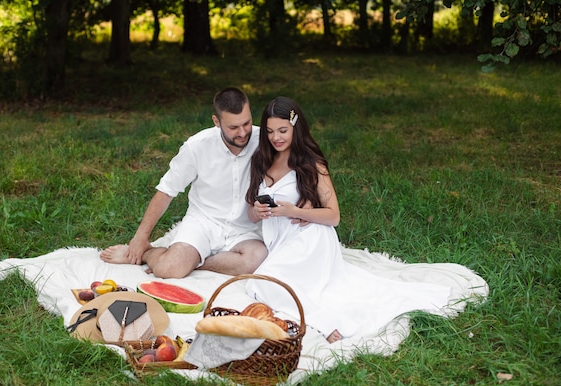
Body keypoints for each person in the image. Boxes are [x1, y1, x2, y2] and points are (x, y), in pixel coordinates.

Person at [245, 97, 452, 343]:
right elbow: (250, 211)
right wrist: (257, 212)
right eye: (270, 131)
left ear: (295, 129)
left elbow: (333, 216)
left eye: (283, 131)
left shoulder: (312, 163)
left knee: (265, 283)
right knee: (265, 284)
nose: (276, 137)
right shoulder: (261, 160)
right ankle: (318, 314)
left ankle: (321, 321)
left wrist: (295, 211)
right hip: (280, 244)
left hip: (309, 239)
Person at [100, 87, 268, 278]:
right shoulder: (196, 146)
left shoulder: (264, 140)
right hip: (204, 222)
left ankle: (194, 263)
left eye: (246, 123)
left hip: (245, 229)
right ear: (216, 121)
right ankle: (149, 253)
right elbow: (166, 191)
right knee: (168, 270)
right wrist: (141, 237)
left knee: (257, 260)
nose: (243, 132)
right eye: (233, 127)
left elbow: (301, 158)